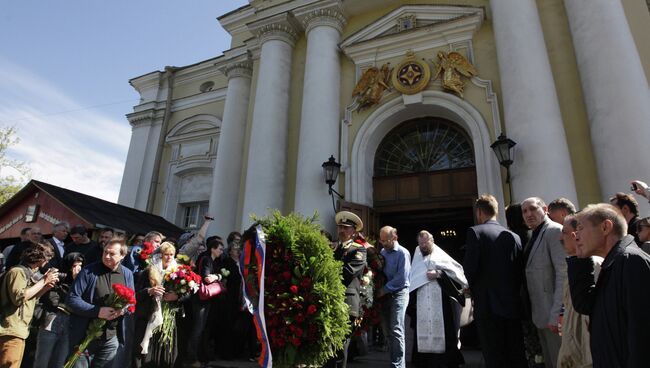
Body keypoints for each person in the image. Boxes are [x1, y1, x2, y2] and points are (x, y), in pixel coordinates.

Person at [568, 203, 650, 367]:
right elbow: (585, 305)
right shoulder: (614, 263)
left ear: (605, 227)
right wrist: (579, 259)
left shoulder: (631, 261)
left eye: (581, 228)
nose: (574, 236)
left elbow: (642, 334)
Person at [464, 194, 527, 367]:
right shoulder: (514, 236)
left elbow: (470, 269)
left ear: (479, 212)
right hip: (512, 304)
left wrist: (470, 288)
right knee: (515, 353)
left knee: (494, 354)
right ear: (496, 211)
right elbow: (520, 270)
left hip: (487, 306)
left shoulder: (475, 232)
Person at [66, 236, 135, 368]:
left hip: (111, 337)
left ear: (123, 255)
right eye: (105, 252)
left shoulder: (127, 274)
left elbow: (131, 302)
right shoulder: (88, 271)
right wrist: (97, 311)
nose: (107, 256)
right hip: (85, 335)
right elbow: (72, 299)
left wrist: (122, 311)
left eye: (112, 253)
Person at [408, 230, 467, 368]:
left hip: (441, 302)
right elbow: (413, 279)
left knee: (445, 329)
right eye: (421, 243)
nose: (423, 246)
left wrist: (439, 274)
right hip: (422, 303)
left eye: (425, 243)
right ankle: (424, 362)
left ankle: (444, 362)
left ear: (432, 241)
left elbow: (455, 272)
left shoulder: (440, 256)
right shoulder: (416, 258)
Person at [521, 197, 566, 368]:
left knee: (560, 362)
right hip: (541, 314)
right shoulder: (536, 234)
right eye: (524, 211)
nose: (528, 214)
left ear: (545, 209)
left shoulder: (554, 231)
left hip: (553, 317)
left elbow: (563, 274)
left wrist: (557, 314)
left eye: (532, 209)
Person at [0, 243, 58, 368]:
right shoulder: (18, 272)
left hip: (18, 331)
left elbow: (29, 300)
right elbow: (19, 298)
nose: (47, 263)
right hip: (10, 330)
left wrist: (45, 288)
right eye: (47, 259)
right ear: (41, 258)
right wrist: (43, 281)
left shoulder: (27, 274)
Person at [556, 215, 601, 368]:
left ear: (577, 234)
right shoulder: (576, 265)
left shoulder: (592, 266)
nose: (560, 237)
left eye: (564, 232)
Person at [324, 211, 367, 368]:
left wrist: (325, 272)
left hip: (347, 303)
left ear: (353, 231)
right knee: (327, 344)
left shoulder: (359, 250)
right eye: (340, 227)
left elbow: (348, 272)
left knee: (341, 346)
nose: (341, 230)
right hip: (329, 301)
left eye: (346, 228)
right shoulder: (333, 248)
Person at [133, 242, 181, 368]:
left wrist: (176, 297)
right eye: (166, 254)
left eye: (172, 254)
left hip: (168, 317)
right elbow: (136, 294)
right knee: (144, 351)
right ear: (160, 255)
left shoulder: (178, 272)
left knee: (164, 351)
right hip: (149, 316)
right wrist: (150, 291)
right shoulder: (148, 271)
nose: (169, 257)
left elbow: (186, 294)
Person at [32, 252, 84, 368]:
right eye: (74, 266)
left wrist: (77, 282)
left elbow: (78, 303)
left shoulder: (82, 283)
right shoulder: (56, 278)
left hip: (69, 325)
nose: (77, 269)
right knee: (42, 360)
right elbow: (53, 300)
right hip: (51, 322)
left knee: (59, 361)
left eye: (80, 265)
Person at [185, 237, 225, 367]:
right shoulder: (207, 259)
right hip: (200, 298)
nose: (221, 251)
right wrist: (218, 276)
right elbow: (207, 278)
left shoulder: (213, 260)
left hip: (205, 298)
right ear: (213, 249)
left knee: (201, 328)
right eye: (220, 249)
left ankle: (197, 356)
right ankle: (191, 358)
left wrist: (216, 276)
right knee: (198, 328)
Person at [378, 225, 410, 368]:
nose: (383, 243)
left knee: (396, 328)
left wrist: (384, 289)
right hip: (385, 295)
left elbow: (401, 278)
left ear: (395, 238)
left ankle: (398, 365)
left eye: (386, 240)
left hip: (399, 293)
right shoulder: (383, 252)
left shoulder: (403, 253)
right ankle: (395, 362)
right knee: (387, 331)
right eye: (382, 240)